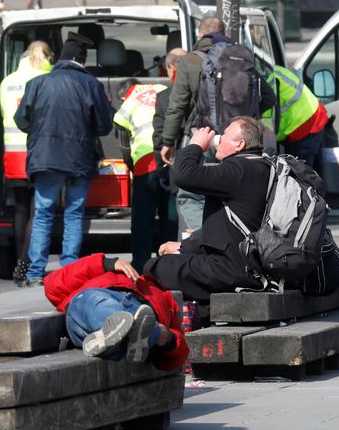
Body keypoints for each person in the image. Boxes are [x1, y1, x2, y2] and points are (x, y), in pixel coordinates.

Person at [14, 32, 113, 286]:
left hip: (45, 159)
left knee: (44, 213)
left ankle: (36, 272)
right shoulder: (91, 85)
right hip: (79, 160)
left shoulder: (37, 83)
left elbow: (21, 120)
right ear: (81, 60)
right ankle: (68, 269)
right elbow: (104, 126)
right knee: (74, 213)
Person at [160, 17, 275, 233]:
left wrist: (167, 141)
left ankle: (194, 239)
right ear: (225, 33)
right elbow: (269, 97)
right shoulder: (241, 58)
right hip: (238, 142)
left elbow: (177, 106)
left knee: (190, 194)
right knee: (230, 192)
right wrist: (246, 118)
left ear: (200, 35)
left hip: (203, 136)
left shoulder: (191, 61)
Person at [144, 117, 272, 301]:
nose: (218, 141)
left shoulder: (237, 170)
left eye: (224, 136)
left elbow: (184, 175)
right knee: (178, 263)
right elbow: (224, 231)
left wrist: (195, 145)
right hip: (250, 264)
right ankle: (204, 311)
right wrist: (185, 246)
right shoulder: (261, 165)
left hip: (233, 269)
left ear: (239, 144)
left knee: (156, 267)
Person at [43, 252, 188, 368]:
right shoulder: (111, 272)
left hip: (140, 312)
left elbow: (179, 356)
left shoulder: (166, 301)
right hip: (89, 308)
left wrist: (168, 337)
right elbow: (52, 286)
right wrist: (106, 263)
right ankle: (131, 330)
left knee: (143, 318)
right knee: (94, 300)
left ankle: (121, 337)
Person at [0, 41, 53, 280]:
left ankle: (20, 262)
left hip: (13, 152)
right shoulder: (45, 77)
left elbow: (3, 113)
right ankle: (24, 261)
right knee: (37, 211)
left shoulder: (7, 81)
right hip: (38, 151)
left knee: (21, 209)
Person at [113, 77, 177, 273]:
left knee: (142, 217)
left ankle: (140, 265)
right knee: (170, 214)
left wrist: (128, 163)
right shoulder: (164, 89)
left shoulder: (133, 97)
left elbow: (120, 123)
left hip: (145, 161)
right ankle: (168, 263)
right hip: (170, 158)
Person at [265, 65, 329, 167]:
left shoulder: (262, 89)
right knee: (300, 169)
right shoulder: (275, 70)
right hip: (311, 114)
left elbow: (266, 128)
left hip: (306, 124)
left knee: (300, 173)